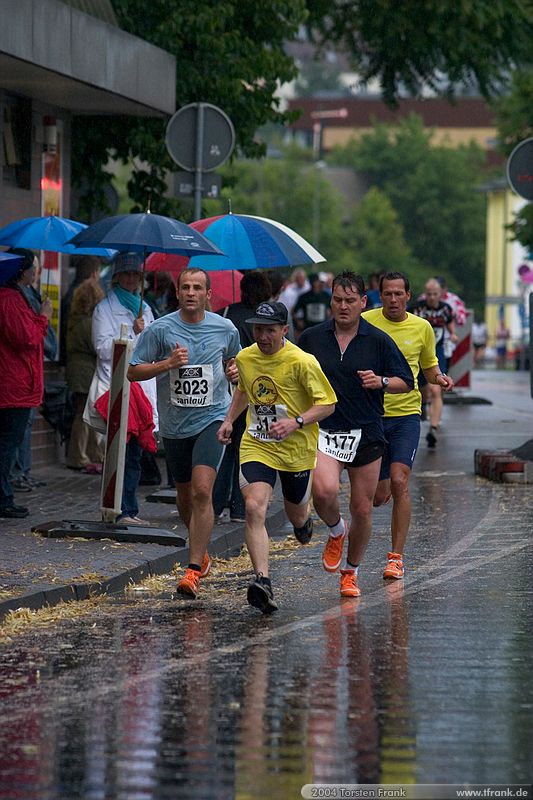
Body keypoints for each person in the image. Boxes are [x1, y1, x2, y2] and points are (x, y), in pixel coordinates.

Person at [127, 268, 241, 599]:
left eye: (197, 288)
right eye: (185, 287)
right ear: (177, 293)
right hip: (176, 424)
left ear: (209, 295)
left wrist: (234, 369)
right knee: (184, 494)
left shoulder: (225, 328)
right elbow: (132, 371)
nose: (191, 292)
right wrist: (167, 364)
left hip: (212, 418)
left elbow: (234, 363)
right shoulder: (161, 329)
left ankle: (191, 570)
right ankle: (200, 548)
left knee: (203, 491)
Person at [217, 301, 337, 613]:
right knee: (255, 506)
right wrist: (230, 420)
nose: (263, 336)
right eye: (258, 329)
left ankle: (303, 521)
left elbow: (328, 405)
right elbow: (244, 390)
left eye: (270, 330)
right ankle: (262, 581)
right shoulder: (246, 357)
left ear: (284, 330)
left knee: (296, 513)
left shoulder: (302, 361)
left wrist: (296, 422)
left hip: (296, 448)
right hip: (258, 443)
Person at [299, 271, 413, 598]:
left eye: (350, 301)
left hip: (366, 432)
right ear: (330, 301)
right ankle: (336, 531)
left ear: (363, 303)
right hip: (326, 431)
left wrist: (382, 382)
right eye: (338, 300)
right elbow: (291, 368)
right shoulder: (312, 338)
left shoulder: (377, 340)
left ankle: (350, 571)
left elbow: (407, 380)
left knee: (363, 508)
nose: (343, 306)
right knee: (323, 492)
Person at [363, 272, 454, 581]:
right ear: (380, 295)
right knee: (377, 496)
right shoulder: (367, 322)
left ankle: (396, 558)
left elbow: (429, 369)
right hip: (373, 416)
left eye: (398, 294)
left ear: (407, 296)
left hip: (405, 416)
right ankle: (382, 488)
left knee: (401, 482)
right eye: (387, 294)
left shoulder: (422, 327)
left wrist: (440, 378)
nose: (392, 299)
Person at [90, 252, 158, 524]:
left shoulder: (146, 307)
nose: (132, 279)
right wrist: (132, 330)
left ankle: (129, 508)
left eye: (136, 274)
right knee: (120, 451)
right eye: (127, 274)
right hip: (117, 389)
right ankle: (119, 509)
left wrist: (142, 332)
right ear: (117, 276)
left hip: (141, 390)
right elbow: (103, 348)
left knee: (135, 453)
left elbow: (152, 346)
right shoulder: (104, 309)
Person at [212, 271, 272, 522]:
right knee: (247, 451)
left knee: (225, 452)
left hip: (230, 390)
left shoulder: (227, 314)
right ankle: (239, 508)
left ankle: (214, 507)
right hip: (260, 393)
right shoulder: (270, 319)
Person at [0, 252, 52, 518]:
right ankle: (3, 498)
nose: (36, 272)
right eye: (33, 267)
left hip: (15, 383)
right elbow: (26, 339)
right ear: (23, 271)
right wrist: (43, 317)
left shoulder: (15, 297)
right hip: (14, 385)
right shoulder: (9, 299)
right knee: (8, 444)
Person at [410, 278, 456, 448]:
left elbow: (450, 322)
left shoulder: (445, 309)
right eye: (428, 294)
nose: (431, 297)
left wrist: (453, 334)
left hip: (437, 353)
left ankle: (433, 428)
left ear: (441, 294)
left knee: (436, 388)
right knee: (423, 389)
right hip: (418, 352)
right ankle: (423, 403)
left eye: (434, 294)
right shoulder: (417, 307)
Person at [65, 277, 106, 472]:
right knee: (83, 415)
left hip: (78, 370)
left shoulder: (75, 319)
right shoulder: (88, 322)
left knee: (84, 413)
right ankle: (79, 455)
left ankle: (89, 453)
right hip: (85, 372)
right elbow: (97, 346)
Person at [292, 272, 331, 339]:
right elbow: (294, 311)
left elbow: (333, 309)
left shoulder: (326, 296)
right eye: (315, 282)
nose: (317, 284)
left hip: (323, 328)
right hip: (308, 329)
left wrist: (330, 320)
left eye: (318, 282)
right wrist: (299, 322)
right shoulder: (304, 297)